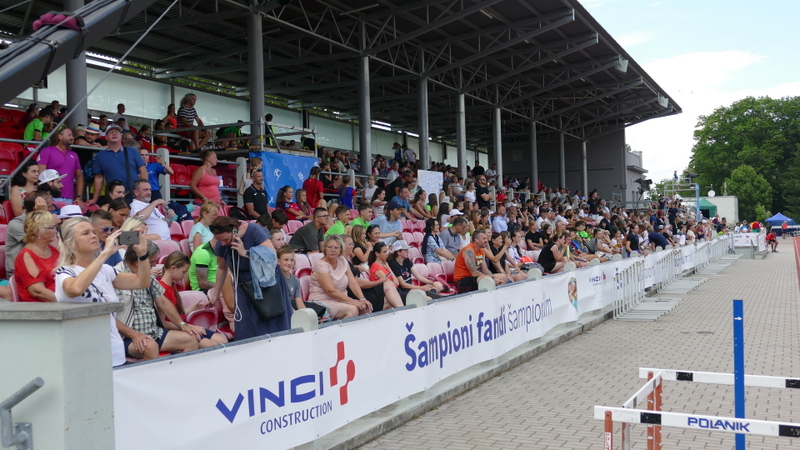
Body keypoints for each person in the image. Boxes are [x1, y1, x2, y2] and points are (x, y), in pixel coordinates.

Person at [55, 218, 151, 367]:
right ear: (70, 243)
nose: (93, 236)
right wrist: (104, 254)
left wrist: (143, 255)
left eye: (93, 232)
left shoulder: (105, 270)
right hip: (84, 355)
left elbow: (142, 282)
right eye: (86, 233)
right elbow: (75, 289)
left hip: (114, 351)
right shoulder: (65, 271)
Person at [114, 242, 210, 359]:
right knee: (150, 346)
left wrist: (182, 324)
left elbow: (163, 301)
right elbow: (109, 317)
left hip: (154, 332)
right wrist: (134, 334)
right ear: (138, 262)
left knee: (191, 338)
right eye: (151, 262)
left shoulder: (147, 275)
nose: (154, 266)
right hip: (127, 337)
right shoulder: (115, 276)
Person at [210, 216, 291, 339]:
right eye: (219, 240)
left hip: (266, 282)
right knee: (247, 326)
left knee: (274, 321)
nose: (223, 243)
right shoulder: (221, 243)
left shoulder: (254, 230)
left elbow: (272, 256)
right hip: (244, 285)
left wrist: (245, 252)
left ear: (234, 230)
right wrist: (216, 294)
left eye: (225, 239)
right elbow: (222, 268)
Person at [307, 235, 373, 319]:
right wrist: (354, 302)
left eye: (336, 248)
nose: (333, 250)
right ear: (325, 248)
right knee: (352, 310)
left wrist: (362, 298)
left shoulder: (342, 260)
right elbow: (330, 291)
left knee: (366, 308)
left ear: (341, 249)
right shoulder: (321, 265)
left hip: (340, 299)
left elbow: (352, 282)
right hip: (322, 300)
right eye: (329, 247)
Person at [89, 124, 148, 204]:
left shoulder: (132, 151)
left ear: (121, 136)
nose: (114, 133)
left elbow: (143, 170)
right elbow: (99, 178)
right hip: (114, 197)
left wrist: (142, 189)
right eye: (111, 132)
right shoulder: (100, 155)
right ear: (106, 137)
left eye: (116, 132)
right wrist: (94, 199)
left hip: (133, 195)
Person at [14, 211, 59, 302]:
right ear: (38, 232)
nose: (55, 231)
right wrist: (66, 301)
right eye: (51, 228)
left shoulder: (53, 250)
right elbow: (38, 291)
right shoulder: (26, 256)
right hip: (42, 306)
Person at [276, 245, 330, 323]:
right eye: (286, 260)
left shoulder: (296, 280)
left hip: (289, 308)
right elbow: (280, 301)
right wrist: (293, 313)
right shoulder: (275, 278)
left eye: (292, 260)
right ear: (278, 261)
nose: (289, 263)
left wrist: (305, 315)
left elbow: (299, 302)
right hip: (279, 310)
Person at [37, 125, 83, 202]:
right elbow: (41, 174)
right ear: (60, 136)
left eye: (72, 135)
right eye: (69, 135)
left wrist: (79, 196)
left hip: (69, 197)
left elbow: (79, 176)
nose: (72, 137)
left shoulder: (74, 155)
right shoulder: (47, 151)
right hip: (51, 196)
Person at [453, 230, 497, 294]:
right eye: (484, 239)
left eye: (486, 238)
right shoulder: (468, 251)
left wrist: (494, 277)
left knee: (503, 277)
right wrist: (490, 278)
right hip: (462, 280)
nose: (486, 241)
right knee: (487, 280)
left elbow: (485, 270)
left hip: (474, 278)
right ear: (476, 240)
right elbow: (474, 272)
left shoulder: (481, 250)